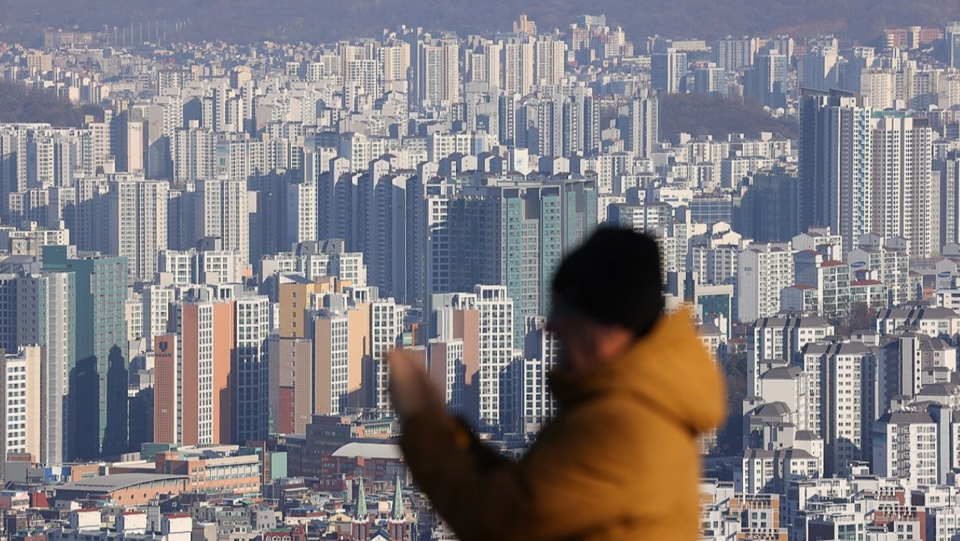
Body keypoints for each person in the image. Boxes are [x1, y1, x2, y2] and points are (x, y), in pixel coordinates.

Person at [388, 226, 727, 541]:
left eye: (563, 311)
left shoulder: (622, 427)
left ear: (603, 330)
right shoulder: (637, 404)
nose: (551, 327)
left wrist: (421, 418)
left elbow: (500, 521)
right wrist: (440, 424)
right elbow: (524, 493)